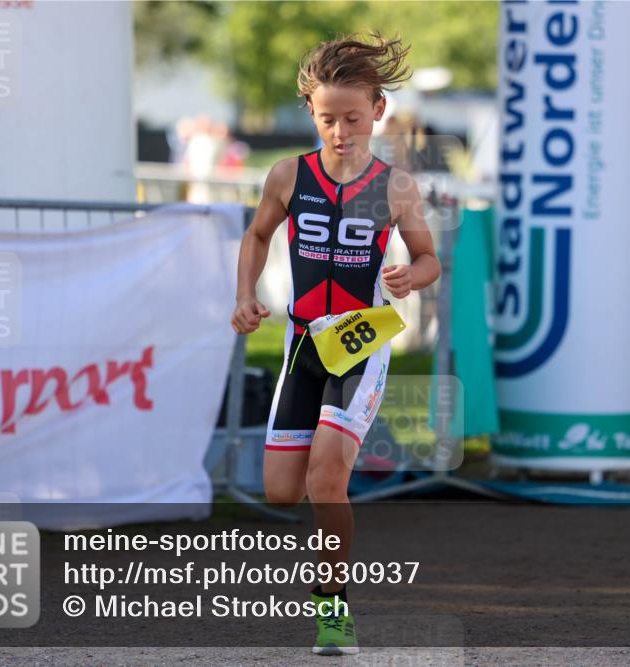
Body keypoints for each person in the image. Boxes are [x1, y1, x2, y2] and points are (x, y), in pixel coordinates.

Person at [229, 31, 440, 656]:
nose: (340, 131)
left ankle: (335, 613)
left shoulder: (395, 187)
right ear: (311, 113)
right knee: (281, 490)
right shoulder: (288, 174)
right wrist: (244, 295)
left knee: (326, 479)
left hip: (360, 344)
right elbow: (257, 236)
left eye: (352, 117)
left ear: (378, 109)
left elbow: (428, 258)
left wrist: (410, 274)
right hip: (301, 343)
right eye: (327, 119)